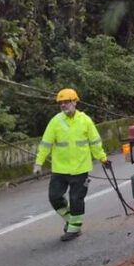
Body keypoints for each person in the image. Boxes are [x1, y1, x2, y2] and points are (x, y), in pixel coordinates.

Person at [34, 88, 109, 241]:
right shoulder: (55, 122)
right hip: (60, 169)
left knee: (76, 199)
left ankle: (74, 229)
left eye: (67, 101)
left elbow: (95, 142)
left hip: (80, 169)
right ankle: (71, 221)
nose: (63, 105)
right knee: (54, 197)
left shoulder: (85, 120)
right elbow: (46, 144)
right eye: (61, 103)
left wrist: (103, 158)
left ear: (75, 102)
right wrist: (38, 163)